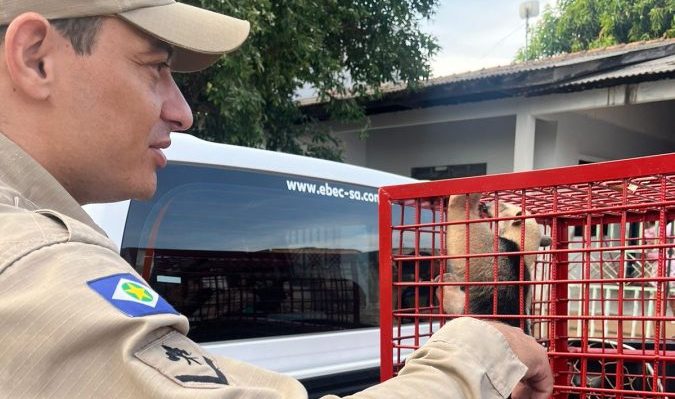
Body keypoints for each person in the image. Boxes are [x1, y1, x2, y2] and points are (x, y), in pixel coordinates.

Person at [0, 1, 553, 398]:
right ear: (35, 58)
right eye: (156, 66)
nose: (182, 111)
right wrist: (476, 352)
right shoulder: (33, 263)